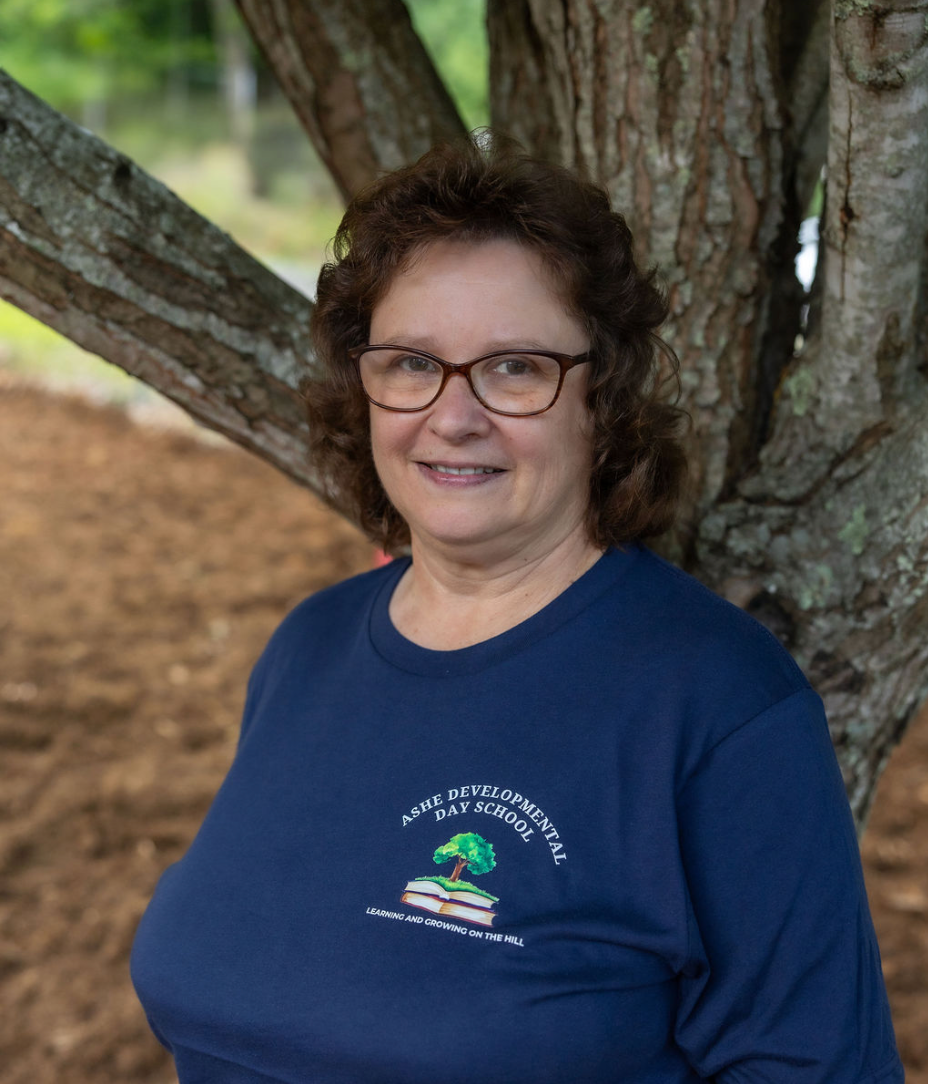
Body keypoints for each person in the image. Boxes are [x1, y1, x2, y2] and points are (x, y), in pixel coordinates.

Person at [131, 134, 903, 1084]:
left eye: (514, 368)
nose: (453, 415)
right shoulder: (308, 648)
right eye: (413, 363)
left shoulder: (719, 706)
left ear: (603, 400)